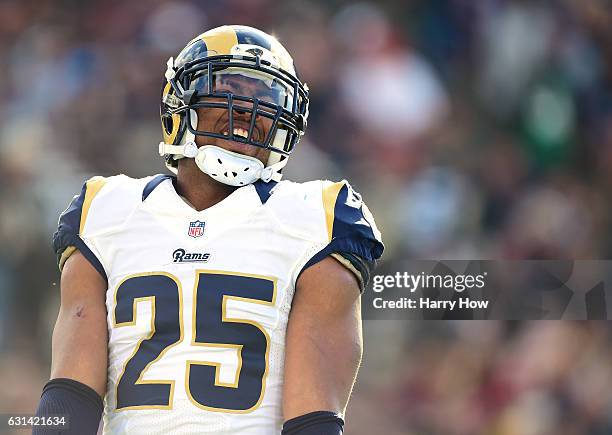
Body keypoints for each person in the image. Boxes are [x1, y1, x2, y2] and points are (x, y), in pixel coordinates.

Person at [34, 25, 383, 435]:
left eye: (265, 99)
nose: (247, 110)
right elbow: (71, 398)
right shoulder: (105, 212)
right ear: (179, 104)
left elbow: (314, 419)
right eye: (230, 88)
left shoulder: (315, 220)